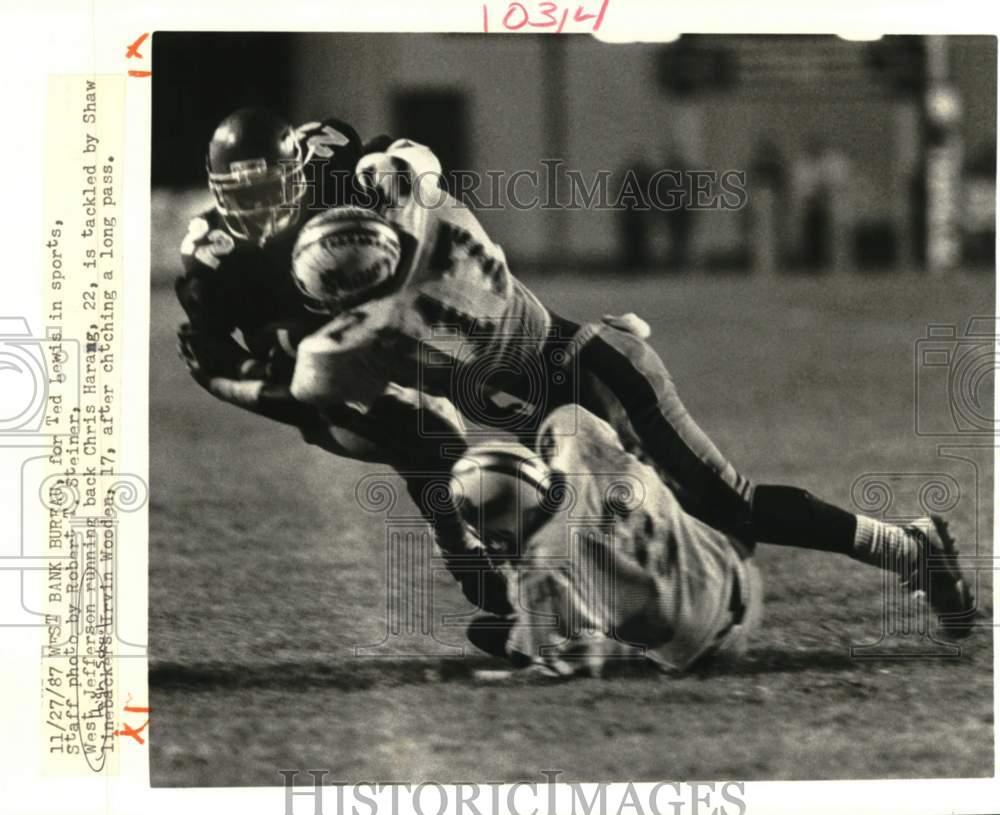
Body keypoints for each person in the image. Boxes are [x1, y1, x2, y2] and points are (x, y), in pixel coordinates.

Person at [289, 139, 976, 641]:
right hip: (557, 409)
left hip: (598, 374)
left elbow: (315, 375)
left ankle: (910, 546)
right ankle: (557, 621)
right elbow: (408, 168)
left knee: (724, 510)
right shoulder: (417, 226)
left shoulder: (395, 296)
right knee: (542, 515)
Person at [175, 108, 512, 617]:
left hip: (397, 320)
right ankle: (476, 553)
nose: (261, 209)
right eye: (244, 197)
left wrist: (406, 177)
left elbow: (406, 156)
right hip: (326, 382)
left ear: (300, 170)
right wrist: (283, 394)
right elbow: (209, 352)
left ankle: (506, 550)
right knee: (431, 437)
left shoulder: (332, 161)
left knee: (495, 400)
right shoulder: (214, 258)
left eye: (270, 189)